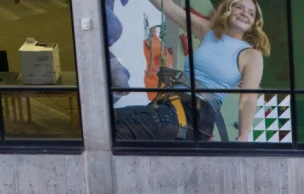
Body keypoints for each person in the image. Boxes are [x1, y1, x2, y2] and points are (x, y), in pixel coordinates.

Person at [114, 0, 270, 141]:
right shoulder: (209, 32)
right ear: (229, 10)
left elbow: (248, 97)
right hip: (169, 105)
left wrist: (243, 135)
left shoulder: (251, 55)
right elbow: (167, 6)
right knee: (117, 132)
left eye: (251, 13)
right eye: (239, 7)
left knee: (115, 123)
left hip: (194, 114)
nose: (245, 14)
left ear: (254, 24)